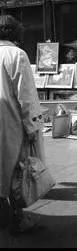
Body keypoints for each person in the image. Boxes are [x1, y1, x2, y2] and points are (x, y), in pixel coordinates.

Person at [0, 15, 46, 234]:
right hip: (10, 123)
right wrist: (32, 126)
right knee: (17, 170)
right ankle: (18, 219)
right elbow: (26, 96)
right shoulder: (17, 55)